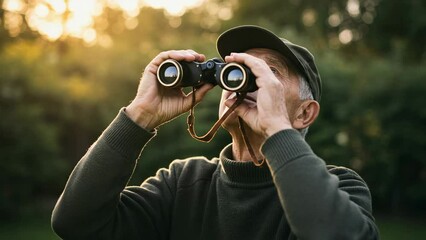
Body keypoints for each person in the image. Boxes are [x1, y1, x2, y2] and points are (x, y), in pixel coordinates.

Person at [51, 25, 379, 239]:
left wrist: (276, 127)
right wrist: (139, 114)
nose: (246, 79)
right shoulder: (183, 183)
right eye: (239, 69)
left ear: (305, 113)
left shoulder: (341, 187)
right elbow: (74, 223)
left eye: (269, 72)